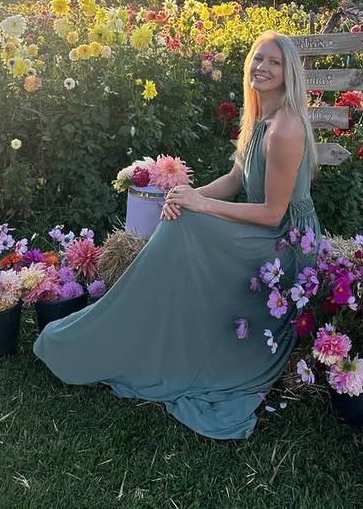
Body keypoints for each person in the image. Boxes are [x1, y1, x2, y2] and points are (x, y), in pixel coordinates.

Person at [33, 30, 321, 440]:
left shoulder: (286, 129)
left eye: (274, 62)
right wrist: (186, 195)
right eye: (258, 58)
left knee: (188, 224)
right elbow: (237, 177)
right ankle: (130, 322)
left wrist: (198, 207)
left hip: (286, 244)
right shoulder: (260, 117)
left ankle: (124, 321)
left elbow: (274, 213)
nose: (263, 68)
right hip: (260, 229)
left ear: (288, 72)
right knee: (182, 219)